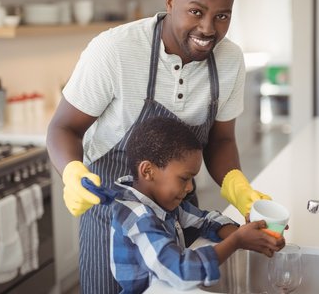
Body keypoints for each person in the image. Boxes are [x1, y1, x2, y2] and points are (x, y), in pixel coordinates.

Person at [46, 0, 272, 293]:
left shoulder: (229, 61)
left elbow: (221, 140)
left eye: (222, 16)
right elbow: (63, 128)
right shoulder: (114, 50)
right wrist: (72, 173)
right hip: (109, 216)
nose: (208, 28)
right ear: (170, 1)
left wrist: (236, 186)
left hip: (175, 213)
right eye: (196, 11)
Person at [83, 117, 285, 293]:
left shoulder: (163, 204)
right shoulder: (137, 217)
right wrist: (237, 241)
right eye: (184, 178)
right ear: (147, 171)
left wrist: (252, 236)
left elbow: (206, 220)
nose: (190, 188)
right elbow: (180, 271)